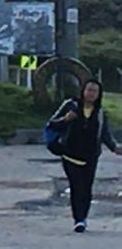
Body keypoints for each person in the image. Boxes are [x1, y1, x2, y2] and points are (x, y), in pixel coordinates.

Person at [48, 79, 121, 232]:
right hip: (69, 154)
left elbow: (105, 134)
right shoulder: (71, 105)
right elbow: (52, 124)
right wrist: (65, 119)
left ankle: (84, 217)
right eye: (89, 90)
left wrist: (114, 147)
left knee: (87, 188)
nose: (91, 93)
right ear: (83, 91)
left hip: (90, 156)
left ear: (99, 94)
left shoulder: (100, 112)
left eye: (95, 91)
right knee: (76, 186)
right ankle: (78, 219)